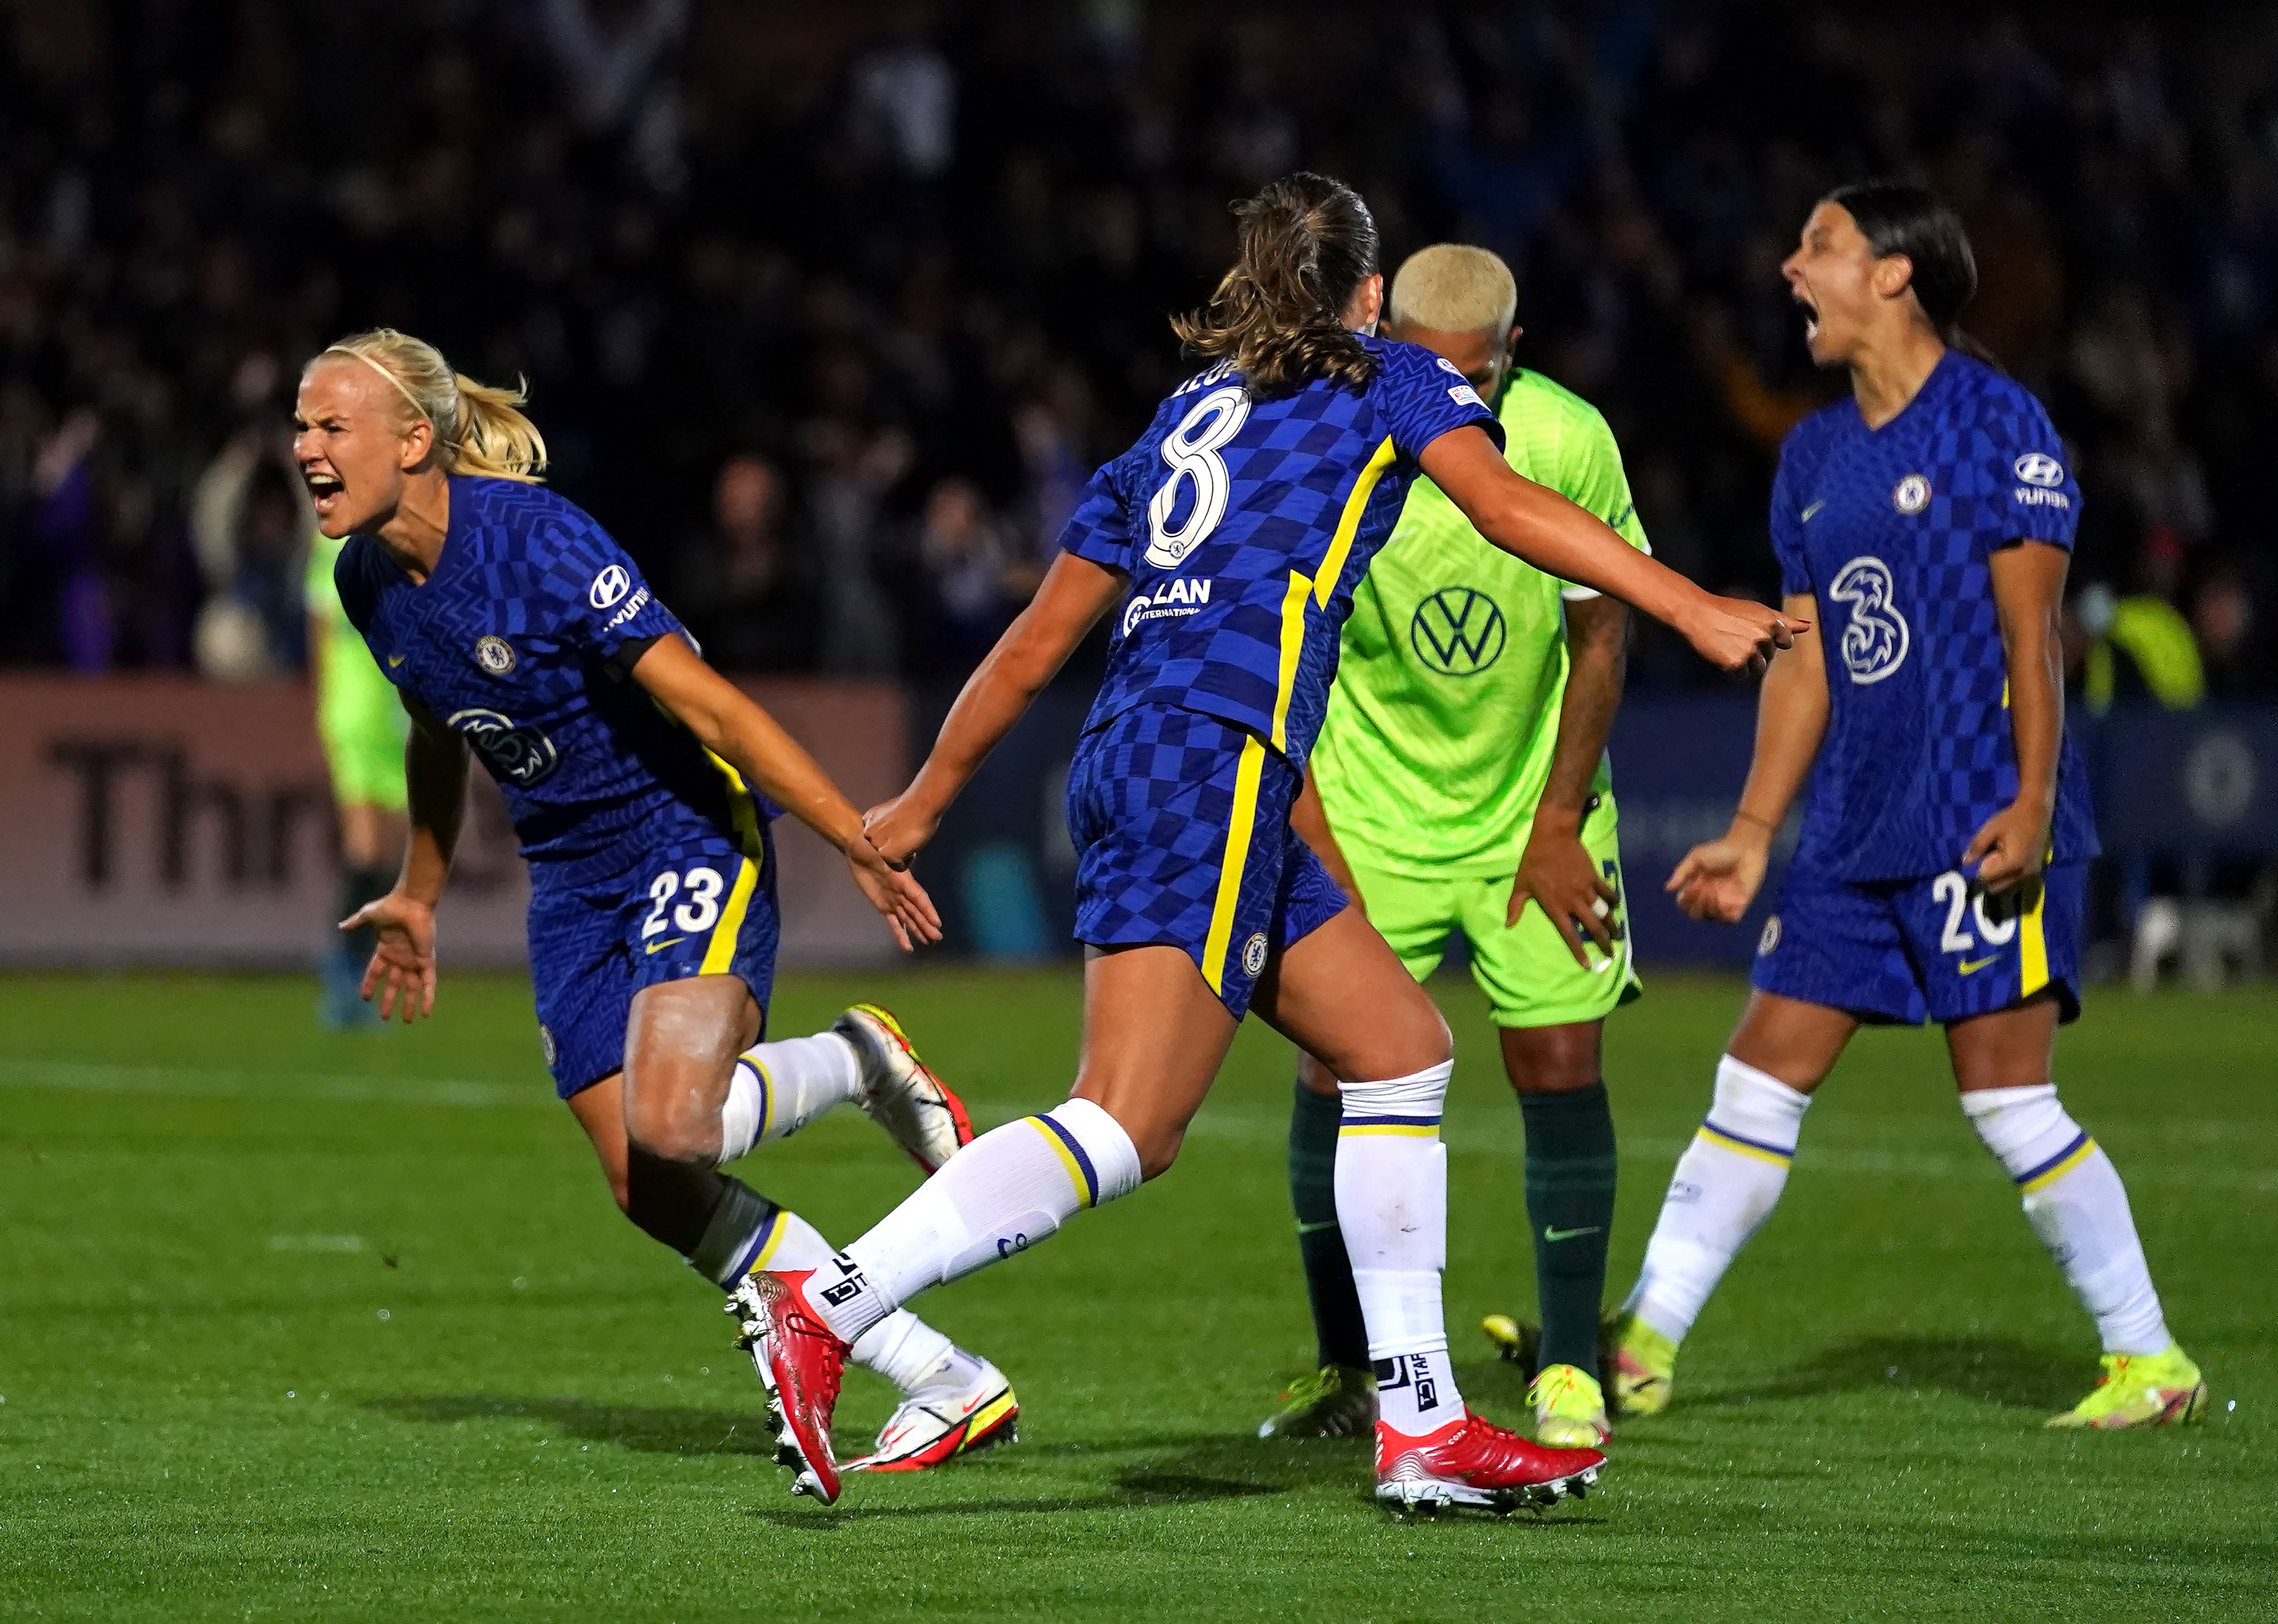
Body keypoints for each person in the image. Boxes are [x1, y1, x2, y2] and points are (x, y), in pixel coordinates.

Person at [727, 172, 1798, 1511]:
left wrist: (927, 800)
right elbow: (1507, 507)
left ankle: (1419, 1423)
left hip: (1142, 752)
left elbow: (1032, 642)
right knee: (1126, 1119)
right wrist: (1689, 601)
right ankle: (831, 1305)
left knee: (1400, 1049)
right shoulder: (1389, 377)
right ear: (1365, 293)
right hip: (1217, 760)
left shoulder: (1182, 416)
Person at [295, 328, 1019, 1473]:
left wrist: (855, 837)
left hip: (682, 829)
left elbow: (715, 710)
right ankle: (941, 1373)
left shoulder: (536, 541)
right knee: (646, 1181)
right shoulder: (365, 581)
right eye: (303, 426)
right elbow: (442, 733)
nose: (307, 449)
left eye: (332, 425)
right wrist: (419, 892)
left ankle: (851, 1060)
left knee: (675, 1122)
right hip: (571, 875)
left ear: (414, 438)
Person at [1611, 182, 2207, 1431]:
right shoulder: (1815, 456)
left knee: (2005, 1099)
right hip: (1849, 827)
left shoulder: (1997, 426)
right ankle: (1641, 1339)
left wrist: (2035, 798)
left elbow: (2032, 635)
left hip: (1978, 809)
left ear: (1893, 274)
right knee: (1754, 1082)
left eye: (1817, 244)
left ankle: (2147, 1356)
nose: (1788, 267)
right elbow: (1809, 658)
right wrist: (1753, 830)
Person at [1272, 244, 1642, 1450]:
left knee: (1556, 1062)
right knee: (1335, 1071)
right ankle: (1346, 1366)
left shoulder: (1568, 442)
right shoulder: (1326, 437)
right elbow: (1292, 640)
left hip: (1529, 809)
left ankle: (1574, 1368)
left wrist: (1551, 823)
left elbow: (1600, 640)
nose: (1452, 404)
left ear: (1513, 355)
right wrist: (1313, 819)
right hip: (1370, 807)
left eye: (1475, 380)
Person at [305, 524, 411, 1030]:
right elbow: (322, 625)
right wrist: (326, 696)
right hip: (355, 711)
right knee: (366, 848)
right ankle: (341, 972)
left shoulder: (402, 535)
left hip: (397, 714)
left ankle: (360, 974)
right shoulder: (333, 545)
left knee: (389, 855)